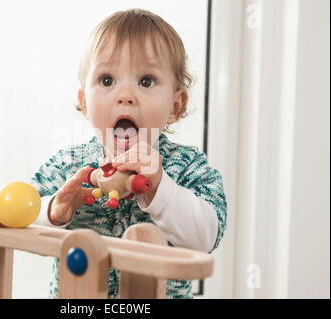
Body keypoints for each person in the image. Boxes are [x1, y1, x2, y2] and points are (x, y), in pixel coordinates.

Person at [30, 8, 227, 299]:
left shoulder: (187, 167)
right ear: (84, 103)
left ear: (176, 105)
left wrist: (161, 189)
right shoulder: (67, 165)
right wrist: (54, 211)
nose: (125, 95)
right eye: (107, 80)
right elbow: (19, 214)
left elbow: (206, 237)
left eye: (146, 81)